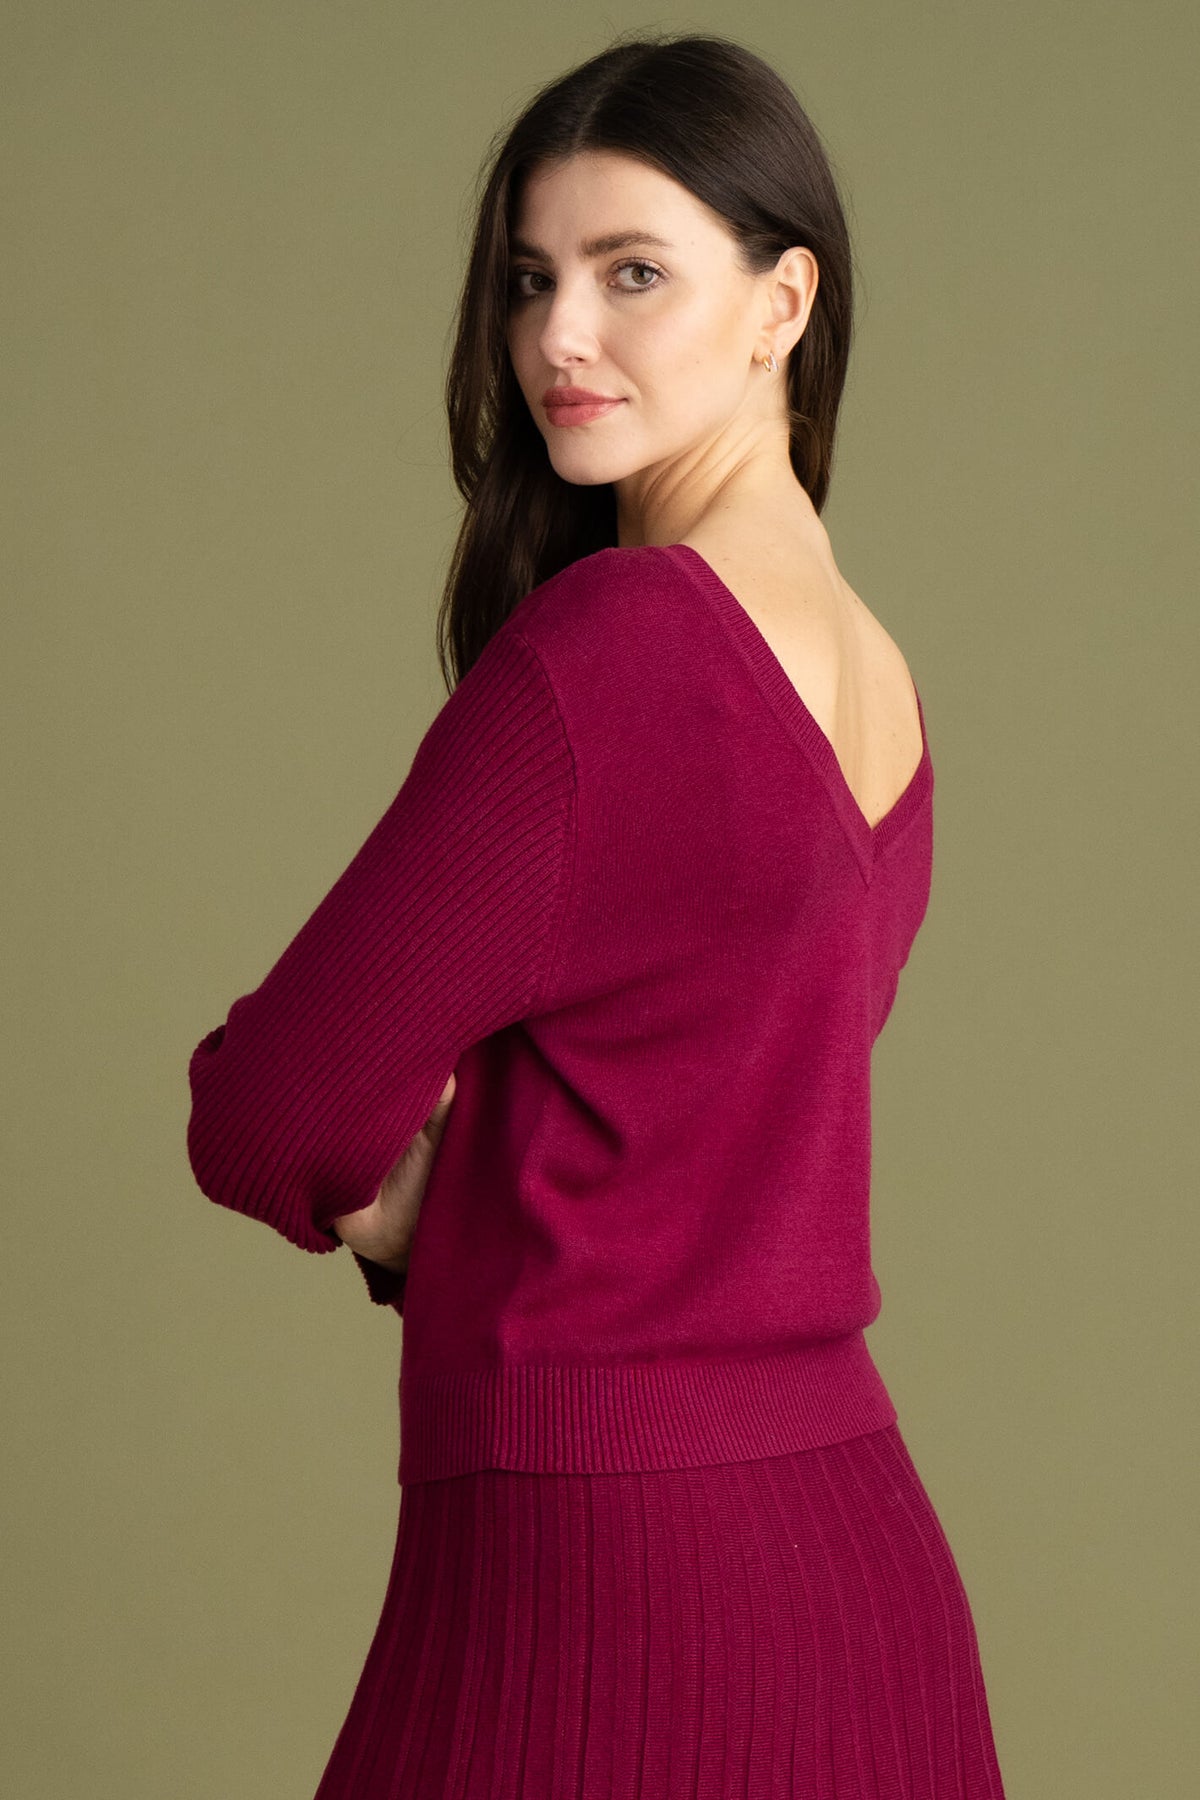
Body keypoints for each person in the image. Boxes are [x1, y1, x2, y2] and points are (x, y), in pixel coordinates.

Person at [185, 31, 1008, 1799]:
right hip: (851, 1565)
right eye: (531, 279)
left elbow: (267, 1115)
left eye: (633, 274)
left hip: (608, 1576)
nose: (561, 334)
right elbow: (695, 1127)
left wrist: (419, 1210)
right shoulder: (880, 681)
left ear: (784, 303)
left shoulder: (619, 646)